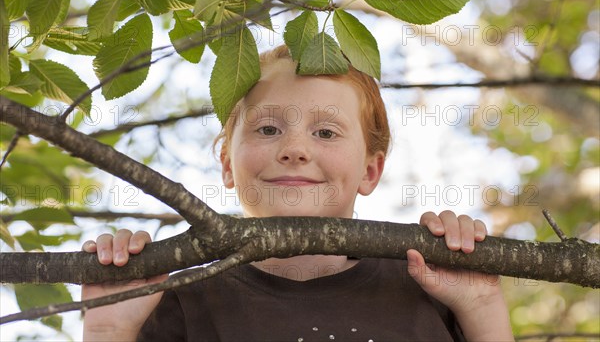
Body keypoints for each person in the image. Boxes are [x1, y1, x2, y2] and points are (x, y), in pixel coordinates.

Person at [82, 45, 514, 341]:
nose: (293, 150)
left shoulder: (430, 287)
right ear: (228, 165)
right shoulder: (184, 300)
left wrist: (481, 306)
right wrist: (108, 332)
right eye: (268, 129)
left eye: (325, 131)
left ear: (370, 170)